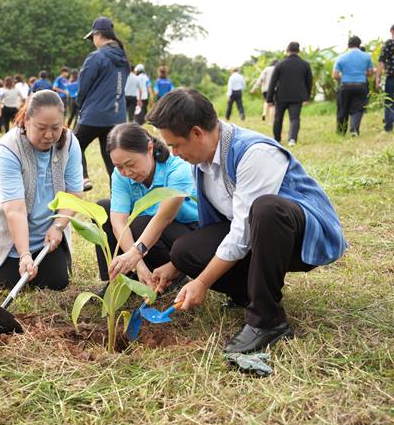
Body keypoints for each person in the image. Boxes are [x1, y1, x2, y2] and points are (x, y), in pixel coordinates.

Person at [146, 89, 346, 354]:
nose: (173, 153)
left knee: (266, 209)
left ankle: (267, 321)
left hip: (298, 237)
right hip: (257, 238)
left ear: (196, 133)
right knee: (184, 251)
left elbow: (243, 231)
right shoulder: (202, 163)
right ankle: (248, 294)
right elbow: (224, 227)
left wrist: (202, 282)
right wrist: (175, 265)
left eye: (176, 145)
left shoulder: (255, 152)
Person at [0, 90, 84, 291]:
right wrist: (24, 254)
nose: (49, 135)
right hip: (8, 240)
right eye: (41, 127)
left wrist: (58, 226)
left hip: (47, 238)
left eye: (56, 128)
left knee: (57, 283)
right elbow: (15, 209)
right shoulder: (8, 150)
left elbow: (75, 193)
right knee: (1, 286)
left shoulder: (69, 142)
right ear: (26, 120)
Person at [96, 123, 198, 289]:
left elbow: (164, 217)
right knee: (104, 209)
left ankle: (175, 275)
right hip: (146, 240)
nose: (127, 172)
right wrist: (139, 266)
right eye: (119, 167)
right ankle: (120, 279)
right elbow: (118, 221)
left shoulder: (177, 169)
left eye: (131, 164)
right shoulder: (121, 175)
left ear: (149, 148)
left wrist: (135, 255)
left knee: (140, 222)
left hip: (186, 235)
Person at [75, 16, 129, 191]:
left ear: (98, 35)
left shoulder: (96, 57)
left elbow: (83, 87)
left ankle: (83, 179)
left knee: (73, 146)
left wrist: (78, 104)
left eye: (92, 38)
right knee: (112, 159)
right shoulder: (124, 59)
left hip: (94, 115)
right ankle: (119, 198)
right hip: (117, 117)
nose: (93, 42)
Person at [266, 42, 313, 146]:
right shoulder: (305, 64)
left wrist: (269, 99)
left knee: (278, 118)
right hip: (297, 96)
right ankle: (292, 139)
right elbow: (309, 82)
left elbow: (272, 82)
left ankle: (277, 139)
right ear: (298, 51)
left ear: (287, 50)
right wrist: (307, 96)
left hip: (281, 96)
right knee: (295, 118)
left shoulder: (280, 64)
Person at [333, 36, 374, 136]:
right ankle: (354, 130)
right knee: (358, 108)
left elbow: (335, 75)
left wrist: (342, 79)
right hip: (361, 85)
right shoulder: (366, 56)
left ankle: (341, 132)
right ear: (359, 45)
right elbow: (370, 73)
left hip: (345, 85)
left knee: (343, 108)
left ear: (348, 45)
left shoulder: (341, 57)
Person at [375, 24, 394, 132]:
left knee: (389, 102)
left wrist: (377, 77)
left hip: (391, 77)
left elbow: (381, 61)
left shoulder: (389, 44)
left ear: (392, 31)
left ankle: (388, 127)